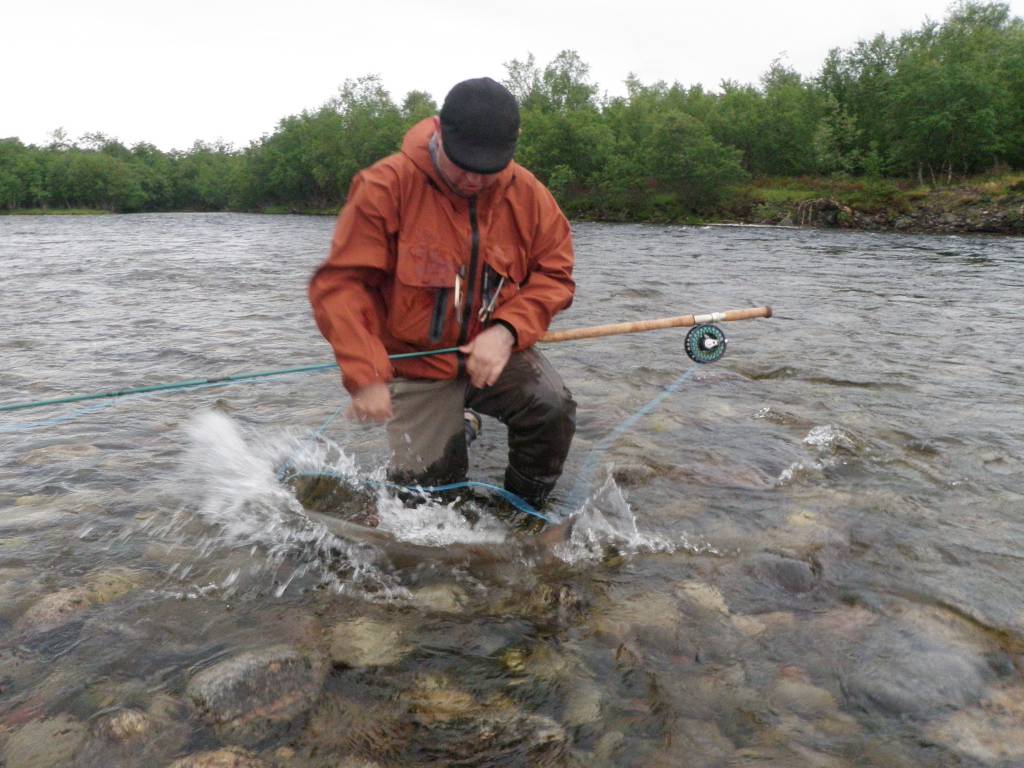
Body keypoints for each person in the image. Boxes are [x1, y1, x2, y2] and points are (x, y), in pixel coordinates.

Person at [308, 77, 576, 508]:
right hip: (416, 366)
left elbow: (555, 275)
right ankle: (459, 430)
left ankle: (522, 512)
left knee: (551, 407)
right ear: (438, 131)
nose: (473, 178)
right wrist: (366, 374)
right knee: (426, 504)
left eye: (487, 169)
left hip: (492, 355)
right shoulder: (385, 187)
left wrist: (507, 330)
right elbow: (340, 288)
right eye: (462, 164)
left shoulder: (529, 195)